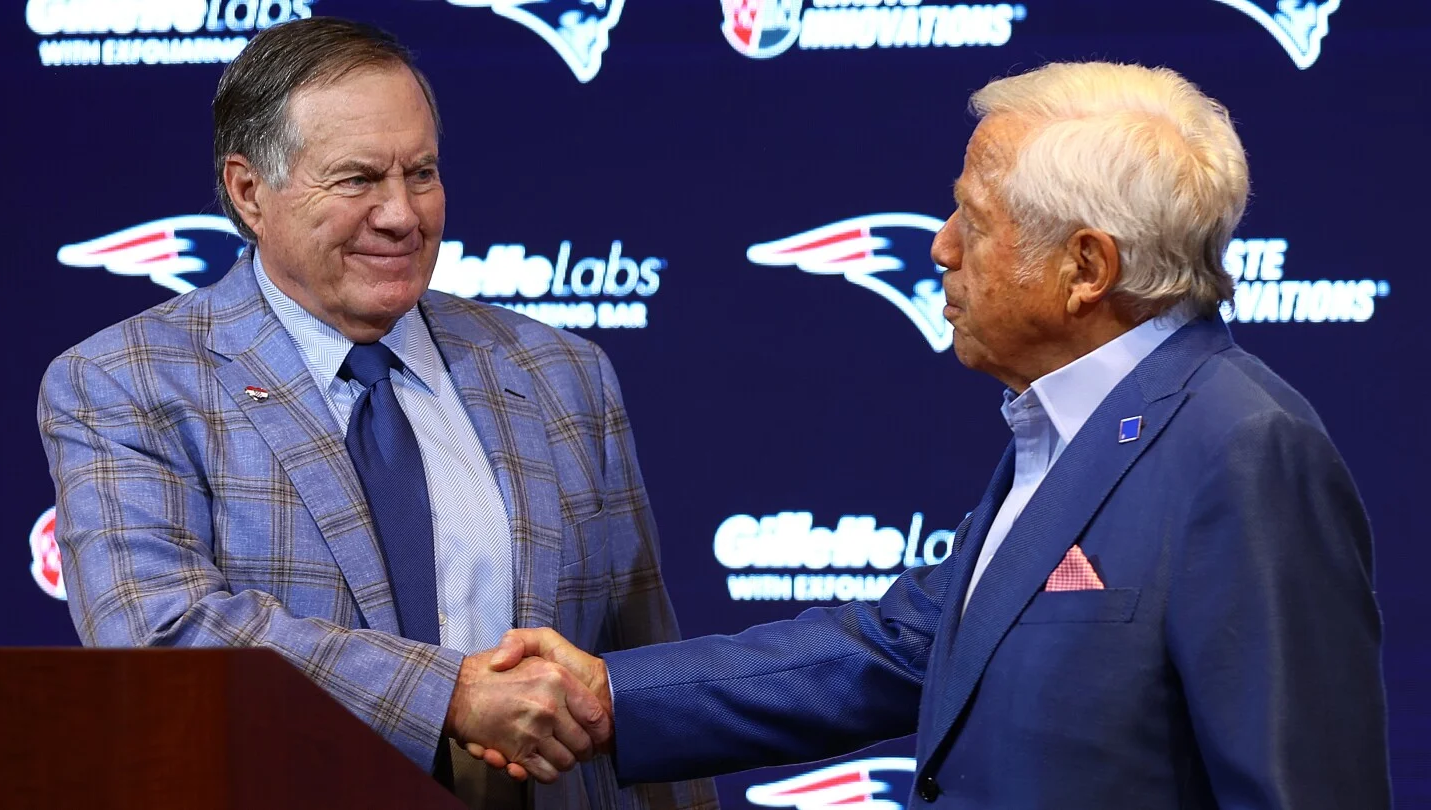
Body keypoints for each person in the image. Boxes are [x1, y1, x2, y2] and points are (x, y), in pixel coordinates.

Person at [479, 61, 1392, 807]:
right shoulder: (1072, 423)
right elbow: (898, 647)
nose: (942, 246)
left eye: (976, 222)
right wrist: (610, 696)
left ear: (1086, 268)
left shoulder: (1244, 451)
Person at [36, 17, 717, 810]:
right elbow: (162, 635)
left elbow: (636, 675)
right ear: (249, 192)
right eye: (358, 179)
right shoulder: (125, 381)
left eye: (421, 173)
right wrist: (449, 697)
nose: (401, 214)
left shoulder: (561, 373)